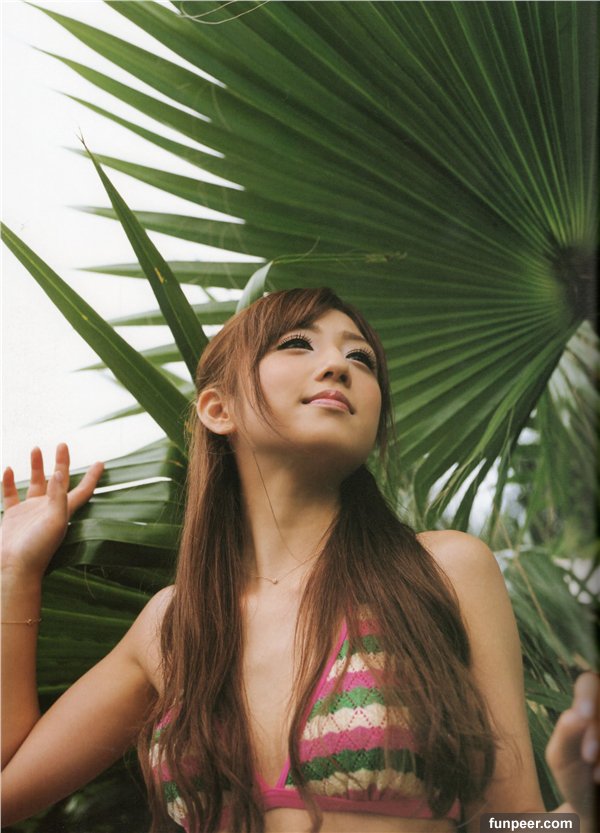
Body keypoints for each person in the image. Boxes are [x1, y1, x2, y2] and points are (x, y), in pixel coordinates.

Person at [1, 288, 597, 833]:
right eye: (296, 343)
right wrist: (14, 572)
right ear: (218, 409)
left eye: (361, 358)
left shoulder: (444, 570)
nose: (339, 365)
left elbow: (513, 822)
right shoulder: (173, 627)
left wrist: (578, 814)